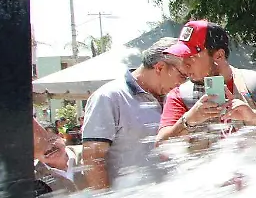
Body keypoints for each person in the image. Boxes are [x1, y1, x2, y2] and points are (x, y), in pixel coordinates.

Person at [156, 20, 256, 144]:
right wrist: (188, 121)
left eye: (190, 57)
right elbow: (161, 146)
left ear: (219, 55)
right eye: (182, 57)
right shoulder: (179, 96)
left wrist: (254, 116)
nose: (183, 66)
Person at [80, 38, 189, 189]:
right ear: (160, 67)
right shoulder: (109, 97)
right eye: (183, 76)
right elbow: (92, 158)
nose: (184, 83)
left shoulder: (174, 99)